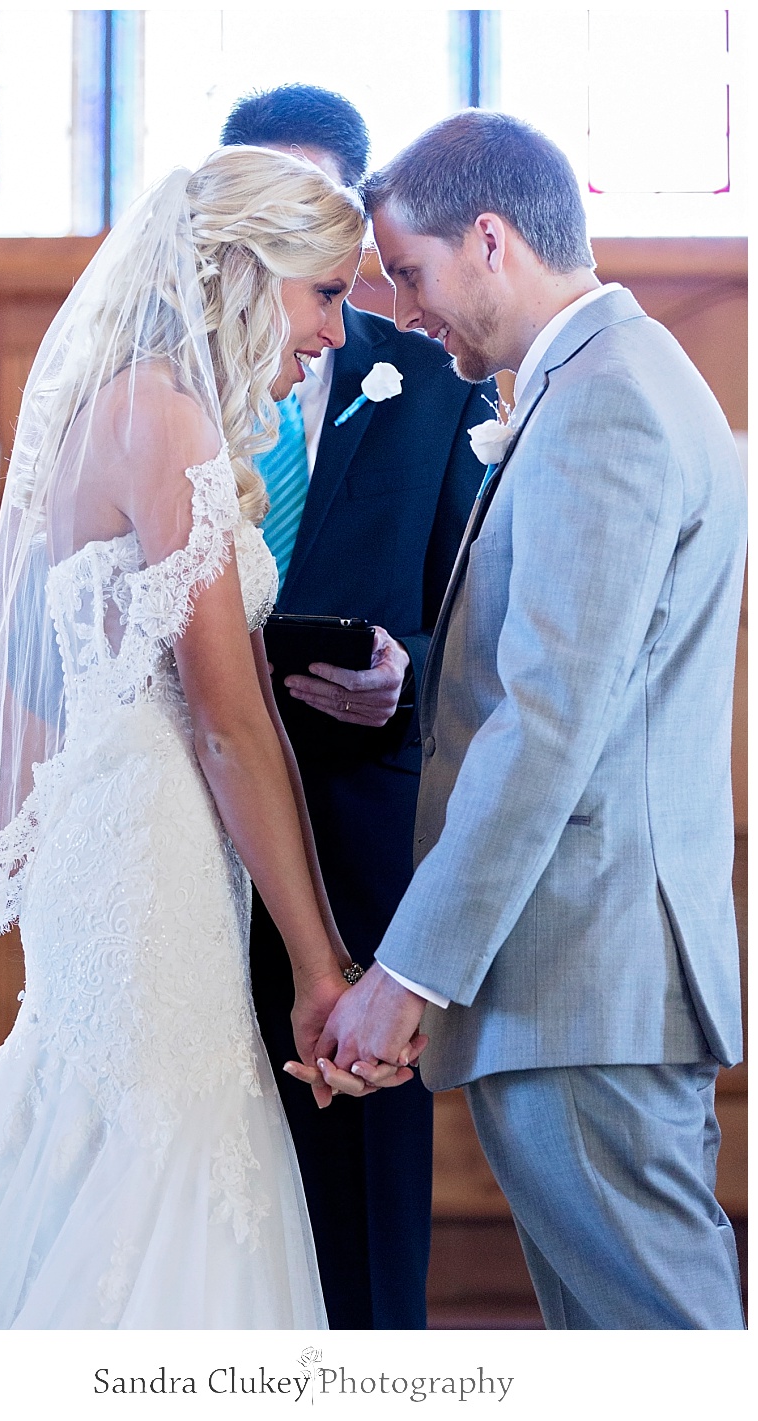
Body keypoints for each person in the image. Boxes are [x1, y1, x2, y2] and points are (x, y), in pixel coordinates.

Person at [0, 147, 417, 1330]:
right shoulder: (167, 418)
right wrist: (324, 966)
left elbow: (61, 692)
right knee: (170, 1136)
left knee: (90, 1132)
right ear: (243, 271)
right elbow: (227, 722)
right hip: (153, 856)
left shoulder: (108, 403)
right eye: (325, 291)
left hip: (113, 835)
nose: (337, 328)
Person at [307, 110, 747, 1330]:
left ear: (489, 238)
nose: (401, 307)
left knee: (661, 1348)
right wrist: (425, 666)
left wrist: (408, 971)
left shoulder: (605, 399)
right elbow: (581, 664)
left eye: (410, 269)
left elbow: (551, 722)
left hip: (584, 966)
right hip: (586, 968)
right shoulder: (611, 378)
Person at [221, 85, 494, 1329]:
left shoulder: (428, 385)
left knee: (365, 1190)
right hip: (193, 834)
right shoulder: (155, 383)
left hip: (365, 828)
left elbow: (472, 621)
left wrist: (406, 670)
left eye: (316, 203)